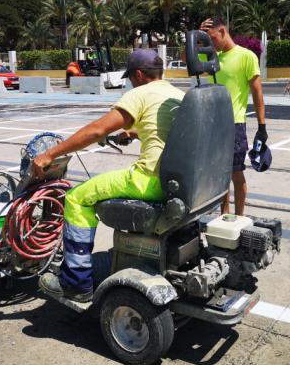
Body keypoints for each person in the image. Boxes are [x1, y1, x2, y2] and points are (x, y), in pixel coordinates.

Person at [35, 49, 185, 302]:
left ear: (138, 74)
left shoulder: (139, 93)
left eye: (131, 78)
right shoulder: (177, 94)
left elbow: (97, 130)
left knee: (76, 198)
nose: (131, 82)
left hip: (148, 180)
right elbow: (162, 128)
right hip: (177, 180)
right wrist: (132, 133)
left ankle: (76, 282)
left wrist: (51, 154)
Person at [200, 16, 267, 216]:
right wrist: (197, 37)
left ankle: (238, 217)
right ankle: (224, 215)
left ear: (222, 32)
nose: (211, 43)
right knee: (220, 176)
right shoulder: (212, 57)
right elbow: (187, 59)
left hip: (234, 124)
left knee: (236, 174)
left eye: (212, 38)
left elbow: (257, 93)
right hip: (213, 125)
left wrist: (262, 127)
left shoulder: (246, 56)